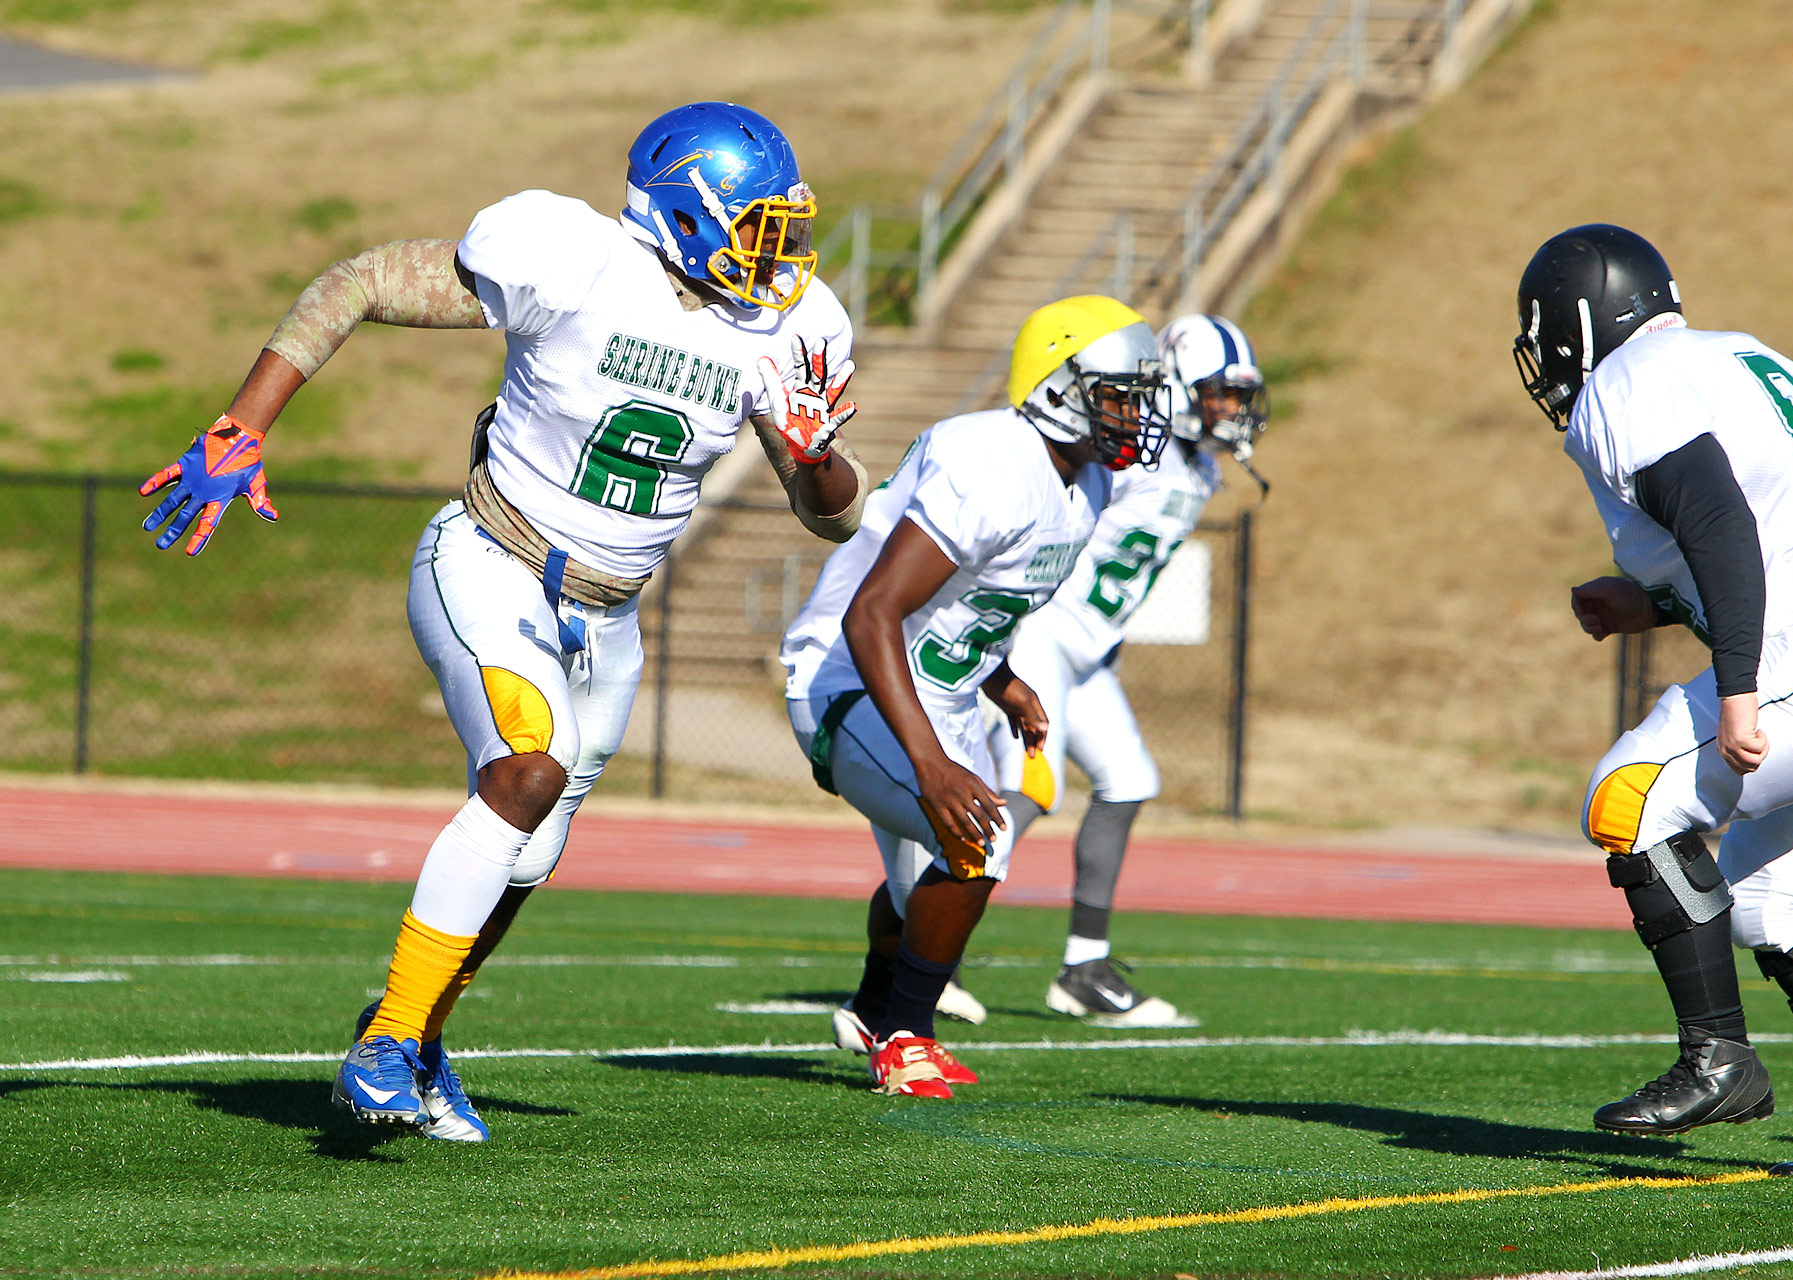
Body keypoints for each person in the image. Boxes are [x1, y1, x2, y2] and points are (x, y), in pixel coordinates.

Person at [140, 102, 871, 1142]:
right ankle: (386, 1042)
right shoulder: (577, 260)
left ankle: (419, 1031)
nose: (779, 252)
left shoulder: (796, 327)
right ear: (687, 215)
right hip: (494, 558)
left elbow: (834, 516)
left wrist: (813, 453)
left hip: (611, 621)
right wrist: (244, 422)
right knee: (525, 769)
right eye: (755, 224)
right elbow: (358, 281)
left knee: (525, 857)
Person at [1514, 224, 1793, 1177]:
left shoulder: (1623, 384)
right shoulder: (1739, 354)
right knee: (1772, 898)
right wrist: (1645, 603)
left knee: (1631, 798)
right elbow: (1773, 530)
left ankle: (1717, 1058)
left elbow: (1720, 522)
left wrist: (1737, 694)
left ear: (1574, 325)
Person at [781, 295, 1165, 1097]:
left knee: (920, 880)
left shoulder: (1083, 484)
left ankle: (869, 1011)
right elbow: (873, 612)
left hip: (932, 682)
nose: (1133, 412)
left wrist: (1001, 680)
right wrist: (931, 766)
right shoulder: (995, 459)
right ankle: (907, 1038)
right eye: (1119, 393)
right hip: (848, 675)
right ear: (1060, 387)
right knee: (976, 840)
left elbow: (964, 605)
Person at [979, 313, 1268, 1027]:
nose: (1230, 408)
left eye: (1239, 395)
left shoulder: (1199, 465)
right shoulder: (1135, 448)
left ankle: (1083, 966)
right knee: (1028, 791)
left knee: (1130, 781)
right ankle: (926, 952)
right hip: (1044, 630)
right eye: (1218, 392)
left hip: (1088, 649)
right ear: (1174, 380)